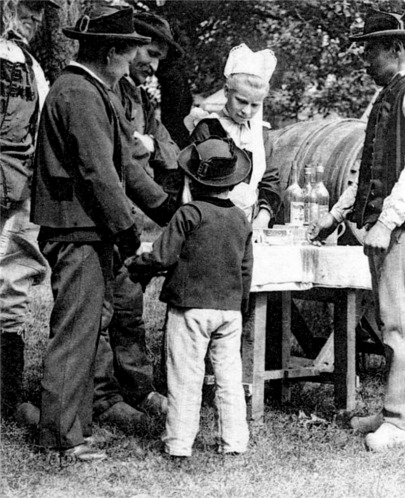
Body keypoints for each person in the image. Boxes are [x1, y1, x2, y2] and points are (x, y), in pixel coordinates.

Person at [31, 8, 172, 461]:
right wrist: (130, 236)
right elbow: (99, 175)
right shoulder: (78, 94)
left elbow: (126, 167)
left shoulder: (93, 91)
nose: (133, 66)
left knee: (89, 329)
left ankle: (74, 423)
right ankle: (64, 437)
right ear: (111, 53)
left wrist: (169, 209)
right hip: (76, 232)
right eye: (130, 56)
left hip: (88, 231)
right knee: (75, 332)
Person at [310, 10, 405, 451]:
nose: (365, 59)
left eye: (370, 49)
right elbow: (369, 170)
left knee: (397, 322)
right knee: (395, 318)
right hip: (387, 226)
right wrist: (337, 214)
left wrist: (386, 222)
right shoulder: (391, 94)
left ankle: (404, 423)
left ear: (395, 47)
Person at [127, 137, 253, 458]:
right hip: (229, 311)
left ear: (191, 180)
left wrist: (136, 268)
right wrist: (241, 308)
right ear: (233, 181)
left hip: (190, 307)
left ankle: (179, 444)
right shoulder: (241, 219)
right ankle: (235, 442)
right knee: (229, 379)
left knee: (185, 376)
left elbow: (162, 257)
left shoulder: (189, 214)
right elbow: (246, 269)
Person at [92, 9, 185, 419]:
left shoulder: (140, 96)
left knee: (129, 305)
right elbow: (124, 157)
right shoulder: (104, 90)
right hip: (105, 212)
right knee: (101, 308)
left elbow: (166, 150)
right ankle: (102, 395)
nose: (153, 64)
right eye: (148, 52)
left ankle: (136, 389)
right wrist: (141, 146)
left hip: (136, 209)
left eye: (160, 57)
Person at [184, 43, 282, 393]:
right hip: (210, 222)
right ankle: (195, 375)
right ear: (227, 93)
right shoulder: (207, 128)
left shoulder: (262, 133)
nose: (247, 111)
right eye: (241, 102)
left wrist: (263, 216)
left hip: (248, 225)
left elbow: (270, 181)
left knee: (243, 297)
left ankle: (240, 377)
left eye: (255, 105)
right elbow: (199, 180)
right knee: (208, 298)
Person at [0, 0, 59, 422]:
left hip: (15, 189)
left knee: (11, 284)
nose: (33, 18)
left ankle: (7, 396)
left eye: (40, 10)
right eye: (25, 6)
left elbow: (41, 130)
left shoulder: (32, 66)